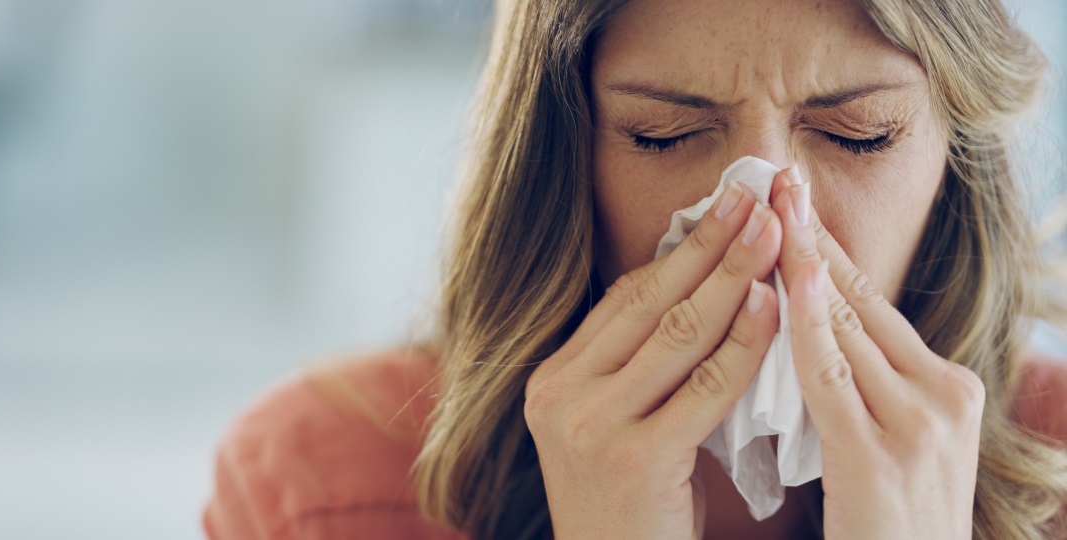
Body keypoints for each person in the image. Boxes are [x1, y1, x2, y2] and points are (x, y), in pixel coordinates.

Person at [202, 0, 1067, 538]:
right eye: (664, 136)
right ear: (561, 155)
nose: (768, 223)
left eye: (859, 134)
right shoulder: (325, 487)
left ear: (957, 153)